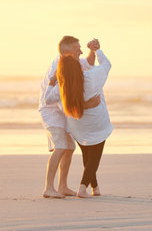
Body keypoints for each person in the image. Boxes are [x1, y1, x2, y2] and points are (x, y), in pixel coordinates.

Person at [46, 42, 112, 198]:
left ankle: (95, 188)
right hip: (97, 122)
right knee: (94, 156)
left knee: (87, 154)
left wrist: (52, 81)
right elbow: (107, 65)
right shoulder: (91, 77)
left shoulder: (63, 86)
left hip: (77, 126)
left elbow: (48, 99)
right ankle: (83, 188)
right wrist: (97, 50)